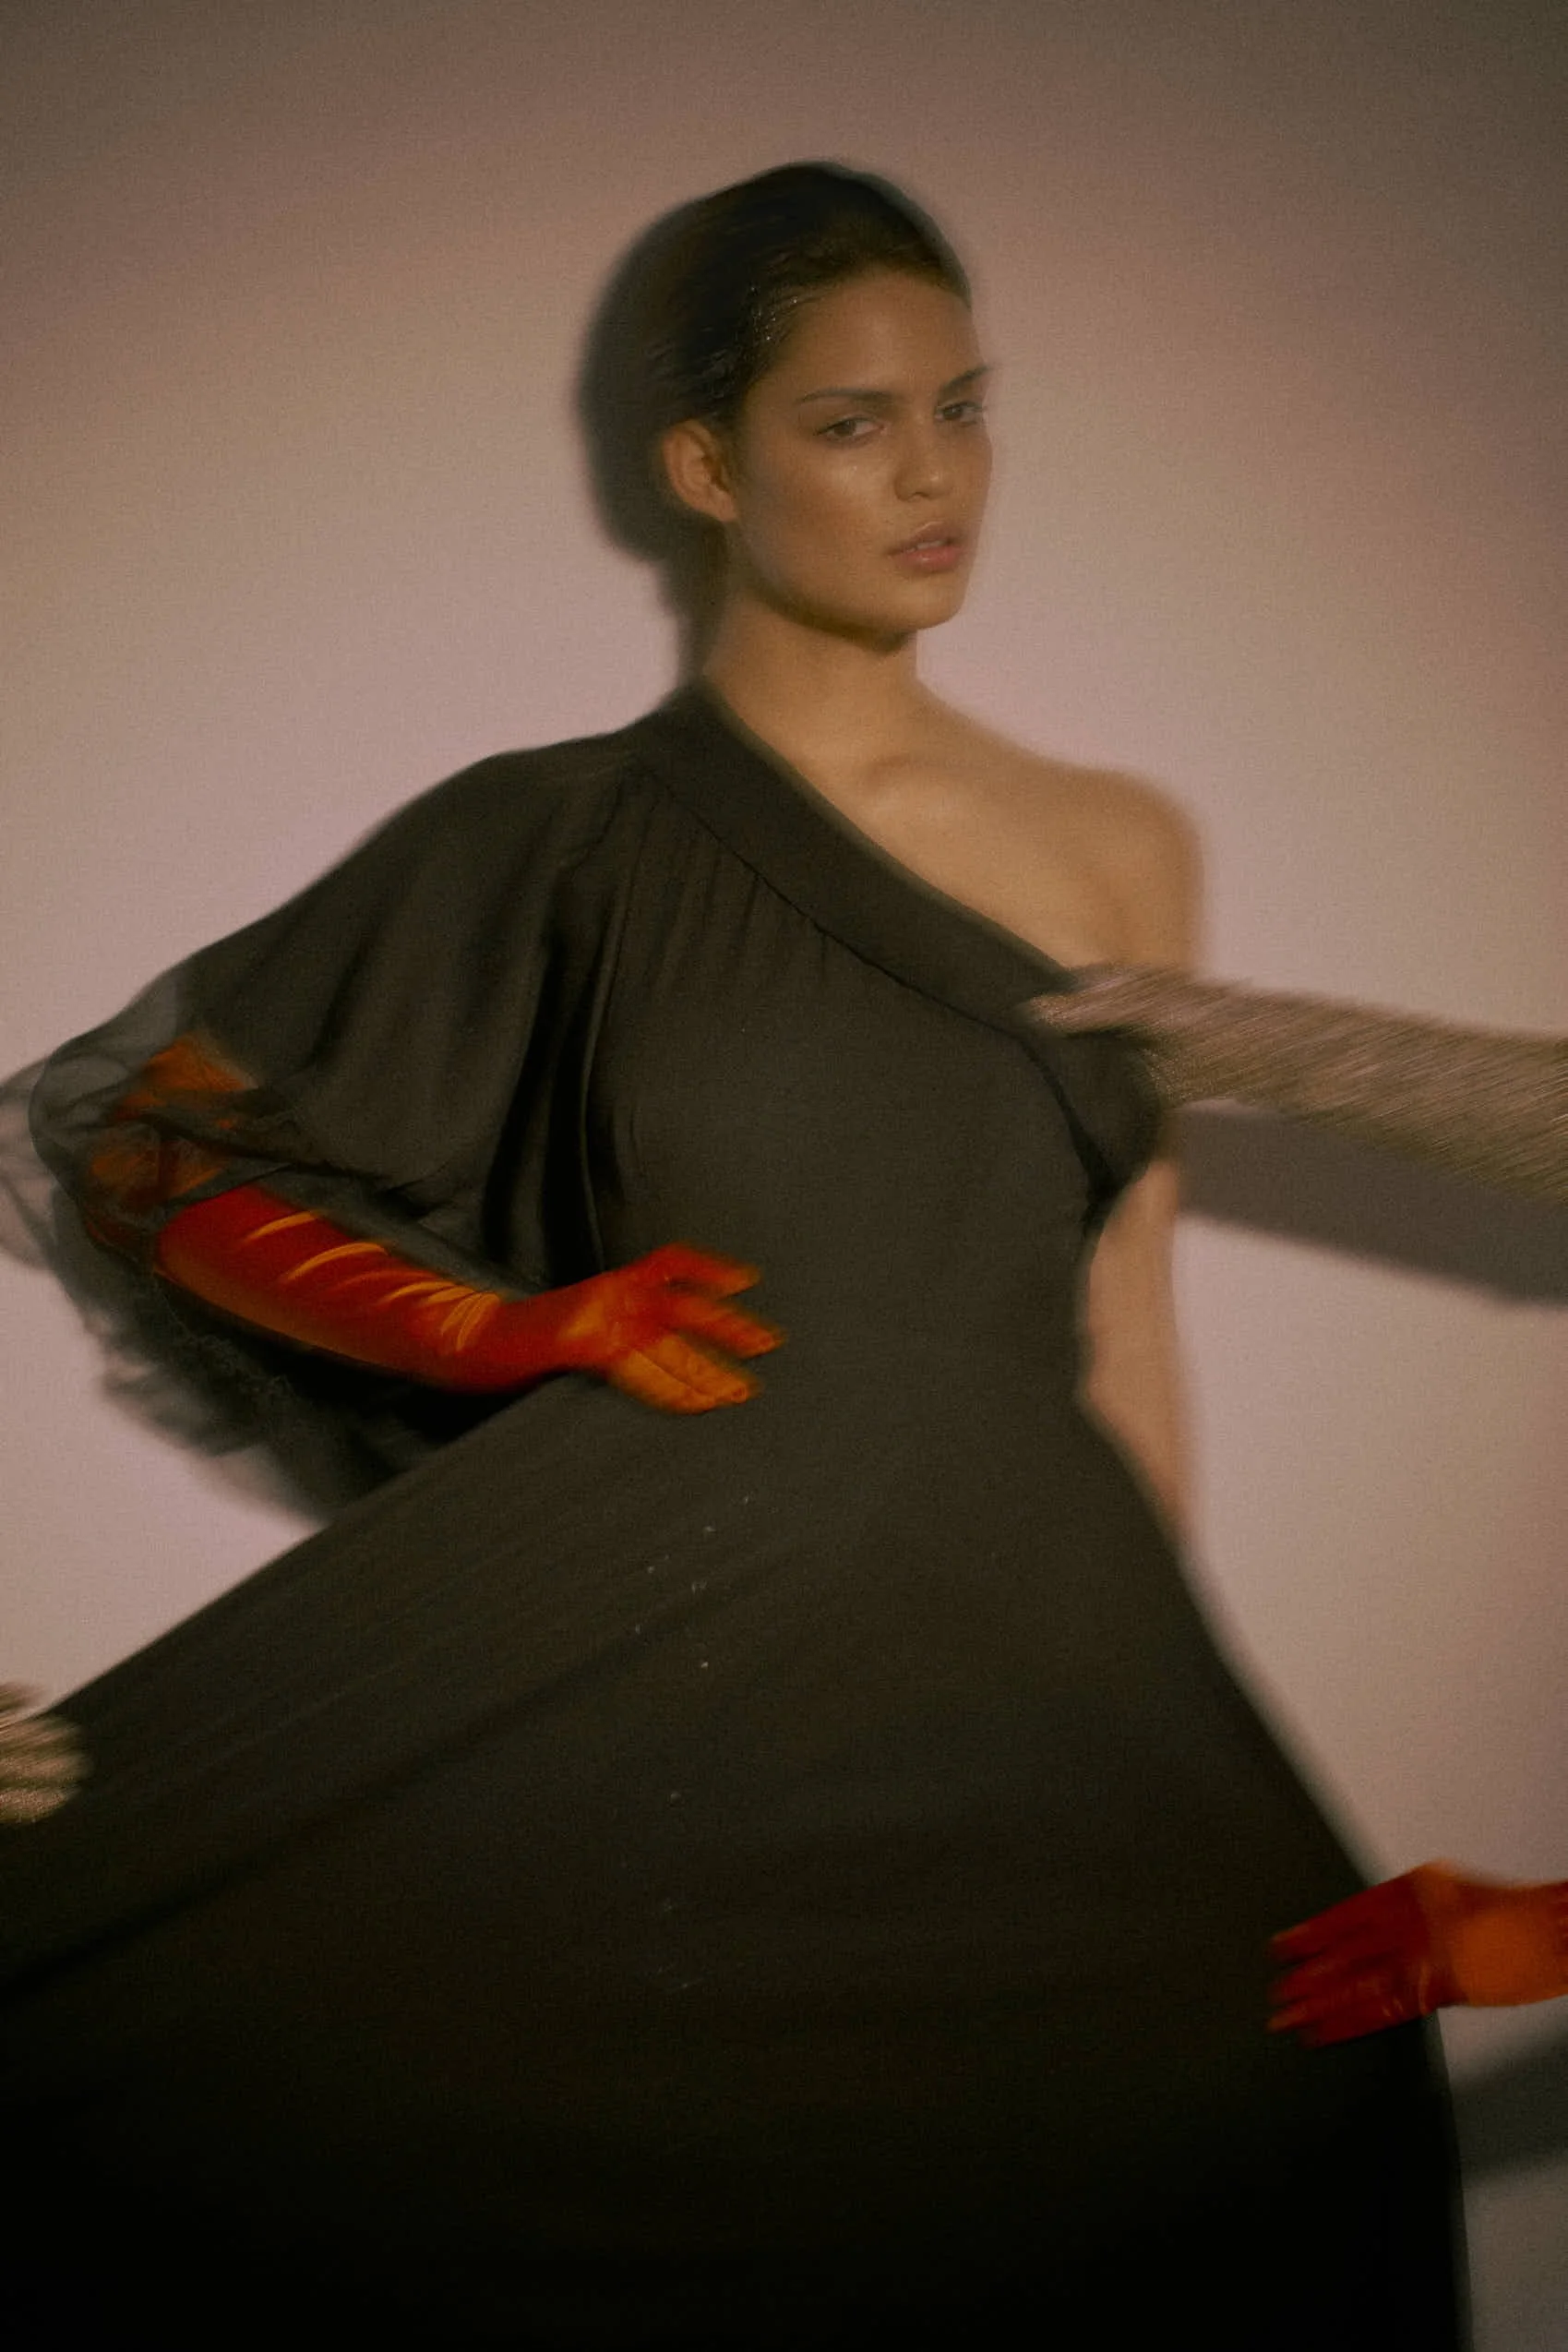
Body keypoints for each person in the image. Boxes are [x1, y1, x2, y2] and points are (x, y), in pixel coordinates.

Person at [2, 164, 1462, 2346]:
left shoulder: (1118, 844)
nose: (935, 474)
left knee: (1284, 2115)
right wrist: (489, 1324)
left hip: (1036, 1661)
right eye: (853, 422)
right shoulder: (555, 834)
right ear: (708, 466)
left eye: (964, 407)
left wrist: (1130, 1748)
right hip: (671, 1672)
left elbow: (1125, 1329)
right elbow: (147, 1148)